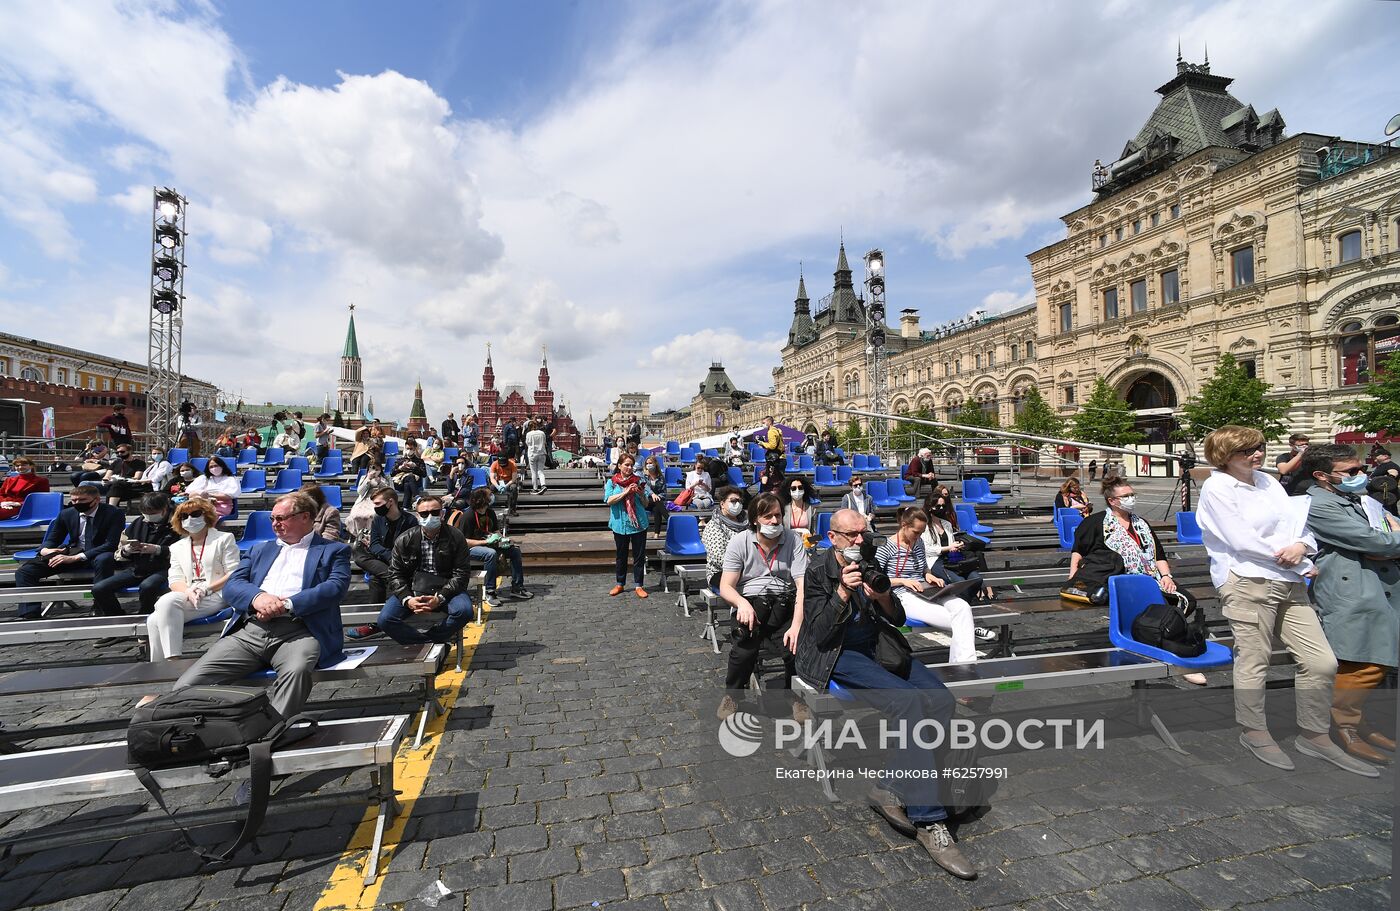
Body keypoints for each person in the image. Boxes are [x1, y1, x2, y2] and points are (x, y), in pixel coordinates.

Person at [795, 508, 977, 879]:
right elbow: (820, 635)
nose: (861, 540)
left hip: (879, 647)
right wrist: (843, 592)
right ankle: (929, 821)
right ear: (833, 538)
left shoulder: (871, 557)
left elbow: (895, 619)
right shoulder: (817, 572)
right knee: (908, 703)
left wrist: (882, 597)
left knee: (941, 699)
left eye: (864, 533)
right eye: (853, 535)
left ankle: (890, 787)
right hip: (839, 654)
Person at [1196, 426, 1372, 776]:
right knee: (1254, 660)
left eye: (1258, 448)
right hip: (1247, 580)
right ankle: (1254, 730)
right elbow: (1241, 540)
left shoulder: (1267, 481)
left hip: (1288, 581)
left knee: (1321, 662)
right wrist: (1300, 559)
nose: (1256, 454)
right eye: (1246, 450)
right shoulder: (1217, 487)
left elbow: (1298, 523)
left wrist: (1304, 546)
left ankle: (1314, 734)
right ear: (1225, 454)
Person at [173, 491, 351, 720]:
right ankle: (200, 725)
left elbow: (335, 588)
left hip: (300, 631)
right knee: (188, 683)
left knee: (297, 671)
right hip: (251, 631)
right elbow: (233, 585)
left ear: (305, 517)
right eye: (272, 519)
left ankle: (271, 730)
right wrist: (258, 598)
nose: (275, 524)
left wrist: (286, 604)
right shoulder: (260, 549)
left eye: (281, 518)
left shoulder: (333, 550)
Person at [1298, 444, 1400, 766]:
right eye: (1352, 471)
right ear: (1322, 475)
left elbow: (1387, 531)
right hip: (1350, 589)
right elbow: (1373, 540)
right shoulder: (1318, 503)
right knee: (1361, 660)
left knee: (1375, 657)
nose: (1362, 475)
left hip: (1378, 584)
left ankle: (1357, 721)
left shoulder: (1356, 498)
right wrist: (1386, 542)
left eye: (1362, 467)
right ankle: (1343, 724)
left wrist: (1388, 543)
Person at [1068, 477, 1204, 684]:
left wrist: (1167, 576)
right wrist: (1073, 576)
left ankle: (1158, 641)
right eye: (1126, 496)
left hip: (1151, 578)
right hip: (1122, 582)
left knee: (1186, 601)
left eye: (1132, 495)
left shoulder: (1141, 522)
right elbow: (1078, 551)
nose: (1131, 499)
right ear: (1112, 500)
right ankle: (1174, 656)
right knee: (1161, 611)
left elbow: (1159, 554)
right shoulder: (1095, 522)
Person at [717, 492, 807, 719]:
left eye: (778, 515)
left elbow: (802, 585)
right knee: (744, 649)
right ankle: (733, 696)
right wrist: (741, 603)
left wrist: (796, 625)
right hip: (751, 602)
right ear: (755, 519)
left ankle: (796, 696)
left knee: (797, 647)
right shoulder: (740, 541)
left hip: (784, 601)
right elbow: (726, 586)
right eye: (768, 516)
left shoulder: (793, 540)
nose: (775, 521)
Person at [350, 494, 474, 645]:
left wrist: (441, 597)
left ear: (442, 513)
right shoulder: (405, 539)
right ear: (418, 515)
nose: (430, 516)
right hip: (413, 586)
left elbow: (461, 574)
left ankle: (432, 638)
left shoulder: (456, 536)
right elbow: (395, 573)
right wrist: (407, 599)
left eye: (435, 512)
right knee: (385, 620)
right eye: (424, 514)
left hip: (446, 586)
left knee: (464, 611)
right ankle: (426, 642)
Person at [877, 507, 985, 664]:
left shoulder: (918, 542)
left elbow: (924, 567)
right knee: (960, 621)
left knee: (962, 607)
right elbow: (877, 579)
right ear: (904, 525)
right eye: (916, 532)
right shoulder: (885, 546)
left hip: (924, 588)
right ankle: (965, 663)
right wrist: (903, 581)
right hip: (901, 594)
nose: (919, 536)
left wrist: (929, 575)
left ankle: (963, 662)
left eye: (921, 533)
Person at [11, 482, 125, 619]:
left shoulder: (113, 513)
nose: (77, 503)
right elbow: (53, 538)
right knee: (25, 572)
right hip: (74, 551)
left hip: (99, 552)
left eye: (82, 500)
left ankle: (101, 607)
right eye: (74, 500)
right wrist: (46, 550)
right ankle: (30, 614)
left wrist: (77, 557)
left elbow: (111, 544)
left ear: (96, 500)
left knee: (104, 559)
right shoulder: (67, 514)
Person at [147, 497, 241, 660]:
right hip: (189, 594)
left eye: (195, 514)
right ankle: (166, 662)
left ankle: (168, 662)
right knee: (156, 616)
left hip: (216, 593)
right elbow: (175, 579)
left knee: (161, 610)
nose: (190, 519)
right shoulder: (176, 547)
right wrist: (189, 591)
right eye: (184, 516)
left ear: (206, 516)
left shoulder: (224, 539)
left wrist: (207, 589)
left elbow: (233, 572)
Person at [90, 492, 178, 617]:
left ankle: (146, 617)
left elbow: (186, 551)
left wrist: (158, 550)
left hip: (165, 568)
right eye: (145, 512)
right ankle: (117, 617)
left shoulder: (179, 523)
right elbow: (119, 552)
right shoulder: (138, 522)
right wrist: (126, 551)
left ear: (164, 509)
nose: (148, 516)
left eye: (152, 513)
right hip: (137, 567)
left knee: (147, 586)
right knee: (99, 588)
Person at [454, 487, 533, 606]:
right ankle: (490, 591)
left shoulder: (489, 512)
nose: (492, 497)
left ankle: (517, 586)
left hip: (489, 543)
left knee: (514, 551)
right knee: (490, 553)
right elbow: (464, 541)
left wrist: (503, 539)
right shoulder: (468, 516)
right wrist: (485, 542)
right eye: (489, 495)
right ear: (482, 499)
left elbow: (496, 530)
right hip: (471, 547)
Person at [352, 486, 420, 604]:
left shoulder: (410, 520)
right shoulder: (377, 519)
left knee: (375, 578)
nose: (375, 507)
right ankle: (395, 579)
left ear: (390, 502)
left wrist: (394, 559)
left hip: (400, 561)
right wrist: (389, 556)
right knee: (359, 555)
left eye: (378, 503)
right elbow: (374, 545)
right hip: (383, 559)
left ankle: (374, 620)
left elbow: (410, 548)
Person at [922, 487, 992, 599]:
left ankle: (965, 602)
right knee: (960, 583)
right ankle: (963, 605)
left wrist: (956, 546)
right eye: (938, 506)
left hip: (952, 558)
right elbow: (926, 549)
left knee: (976, 579)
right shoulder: (924, 526)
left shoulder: (946, 524)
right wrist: (948, 547)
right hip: (935, 560)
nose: (941, 508)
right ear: (930, 507)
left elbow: (951, 543)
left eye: (943, 506)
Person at [604, 453, 650, 598]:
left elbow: (646, 503)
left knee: (639, 556)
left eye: (631, 465)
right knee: (621, 555)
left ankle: (639, 585)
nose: (630, 468)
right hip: (620, 524)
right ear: (619, 466)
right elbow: (609, 500)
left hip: (638, 524)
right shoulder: (612, 482)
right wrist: (625, 492)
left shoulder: (639, 480)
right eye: (626, 465)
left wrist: (641, 494)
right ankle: (620, 583)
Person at [702, 486, 750, 588]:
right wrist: (746, 567)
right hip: (722, 572)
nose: (737, 504)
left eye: (739, 501)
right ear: (722, 504)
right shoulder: (715, 525)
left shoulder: (746, 523)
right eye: (733, 501)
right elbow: (718, 557)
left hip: (748, 568)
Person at [391, 439, 428, 503]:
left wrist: (415, 467)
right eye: (407, 448)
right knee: (409, 478)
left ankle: (406, 507)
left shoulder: (419, 461)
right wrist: (400, 468)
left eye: (411, 449)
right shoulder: (400, 460)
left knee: (407, 484)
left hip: (415, 484)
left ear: (414, 449)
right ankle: (417, 496)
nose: (409, 450)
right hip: (400, 483)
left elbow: (424, 474)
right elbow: (392, 473)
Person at [1367, 448, 1400, 517]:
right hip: (1380, 497)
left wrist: (1389, 478)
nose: (1374, 457)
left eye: (1376, 455)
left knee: (1390, 516)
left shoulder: (1390, 465)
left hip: (1386, 498)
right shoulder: (1382, 466)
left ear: (1385, 456)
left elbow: (1394, 472)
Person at [641, 455, 669, 534]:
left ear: (655, 464)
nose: (648, 465)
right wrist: (653, 494)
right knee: (657, 502)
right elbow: (645, 489)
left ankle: (656, 533)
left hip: (657, 502)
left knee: (657, 509)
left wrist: (657, 496)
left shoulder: (661, 477)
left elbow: (664, 492)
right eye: (647, 463)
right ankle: (669, 519)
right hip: (646, 501)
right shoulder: (643, 476)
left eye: (650, 463)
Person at [489, 453, 522, 517]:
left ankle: (512, 509)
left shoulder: (512, 464)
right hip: (499, 481)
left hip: (510, 481)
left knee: (514, 488)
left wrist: (506, 486)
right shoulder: (494, 464)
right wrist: (497, 486)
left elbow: (514, 478)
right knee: (490, 489)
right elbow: (492, 478)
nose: (502, 464)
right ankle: (489, 508)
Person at [525, 419, 549, 494]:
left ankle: (535, 488)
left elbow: (527, 443)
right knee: (540, 471)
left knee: (533, 472)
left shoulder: (528, 434)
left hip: (532, 454)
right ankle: (543, 485)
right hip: (542, 453)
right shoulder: (542, 433)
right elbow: (545, 442)